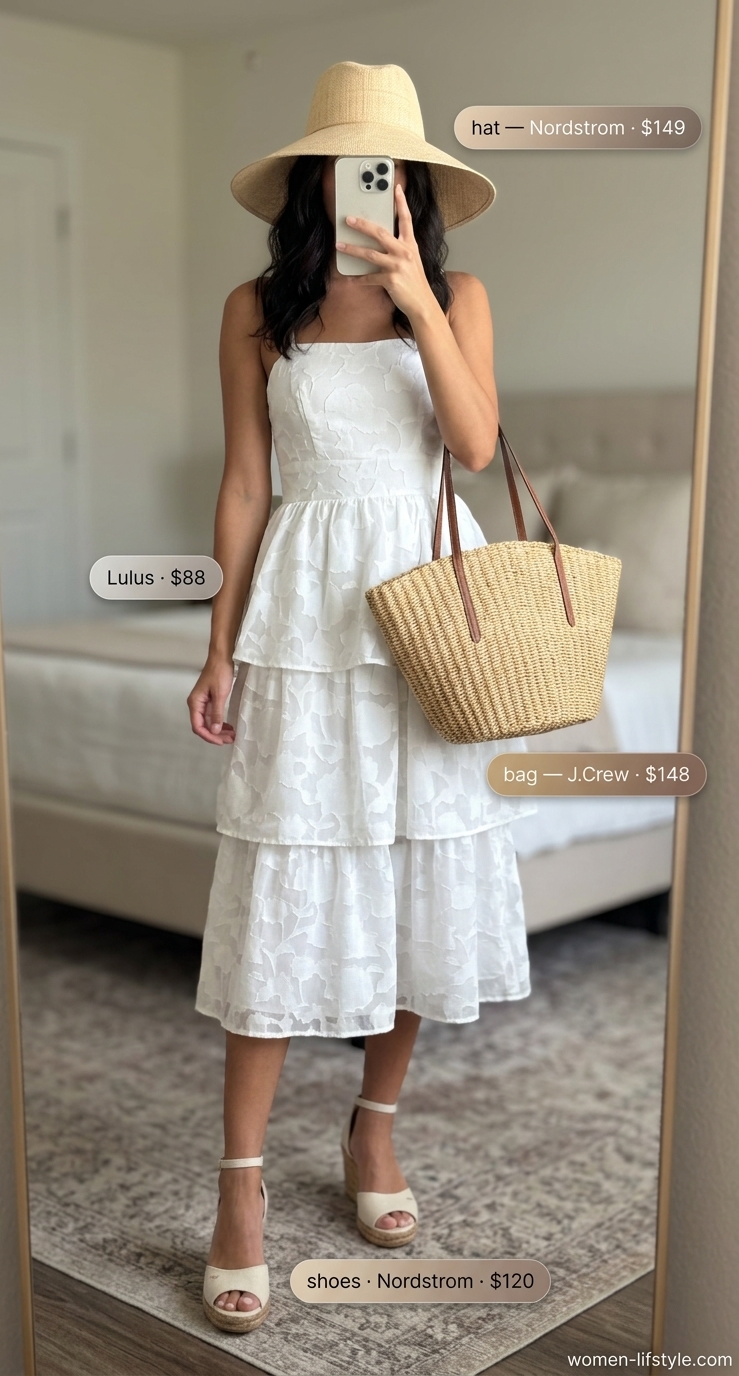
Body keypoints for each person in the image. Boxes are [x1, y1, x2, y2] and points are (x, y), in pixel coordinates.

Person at [187, 61, 536, 1334]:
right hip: (305, 617)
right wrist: (217, 644)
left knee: (415, 874)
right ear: (312, 182)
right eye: (347, 169)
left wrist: (416, 301)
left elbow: (476, 446)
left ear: (417, 188)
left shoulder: (458, 294)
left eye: (386, 172)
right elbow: (245, 482)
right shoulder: (255, 309)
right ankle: (238, 1182)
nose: (367, 190)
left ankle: (373, 1127)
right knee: (285, 881)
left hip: (428, 619)